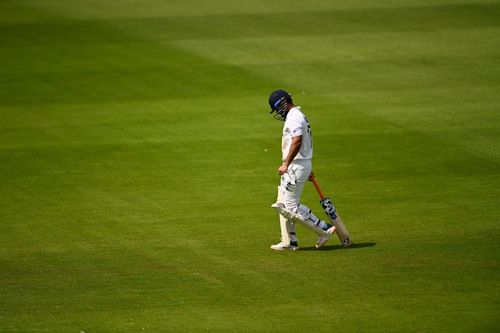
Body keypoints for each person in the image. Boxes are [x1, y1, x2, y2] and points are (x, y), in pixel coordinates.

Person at [268, 89, 336, 250]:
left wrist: (287, 164)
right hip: (299, 164)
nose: (278, 113)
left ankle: (324, 229)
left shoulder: (294, 117)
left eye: (277, 109)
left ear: (282, 104)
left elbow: (297, 141)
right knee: (283, 203)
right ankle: (290, 241)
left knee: (289, 207)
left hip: (296, 165)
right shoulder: (297, 116)